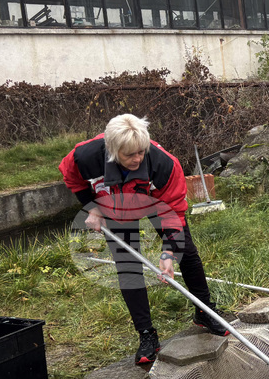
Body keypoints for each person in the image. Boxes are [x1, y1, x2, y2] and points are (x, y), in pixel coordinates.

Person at [60, 114, 229, 365]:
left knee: (187, 253)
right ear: (112, 149)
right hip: (116, 203)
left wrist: (169, 253)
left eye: (141, 152)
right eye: (129, 155)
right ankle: (147, 334)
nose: (137, 158)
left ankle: (204, 311)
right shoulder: (84, 157)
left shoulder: (164, 165)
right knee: (128, 265)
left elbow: (174, 213)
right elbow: (72, 179)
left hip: (157, 202)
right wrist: (92, 208)